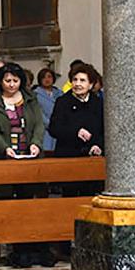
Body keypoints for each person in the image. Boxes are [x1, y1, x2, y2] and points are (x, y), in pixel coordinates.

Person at [0, 63, 50, 267]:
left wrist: (36, 144)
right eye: (7, 80)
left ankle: (30, 247)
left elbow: (39, 124)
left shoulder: (30, 99)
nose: (11, 85)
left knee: (27, 201)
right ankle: (14, 248)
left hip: (28, 157)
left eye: (15, 81)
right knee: (8, 204)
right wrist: (4, 148)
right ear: (1, 82)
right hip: (4, 158)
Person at [49, 62, 105, 195]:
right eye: (75, 80)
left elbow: (104, 129)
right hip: (69, 157)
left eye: (82, 80)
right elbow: (54, 128)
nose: (78, 84)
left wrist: (98, 145)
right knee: (70, 197)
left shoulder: (97, 103)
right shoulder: (63, 102)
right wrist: (76, 132)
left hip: (92, 159)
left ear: (91, 84)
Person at [33, 68, 62, 152]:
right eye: (44, 77)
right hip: (45, 130)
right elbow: (38, 113)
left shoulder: (60, 93)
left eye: (49, 77)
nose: (47, 79)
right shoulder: (35, 94)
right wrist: (51, 125)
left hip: (59, 130)